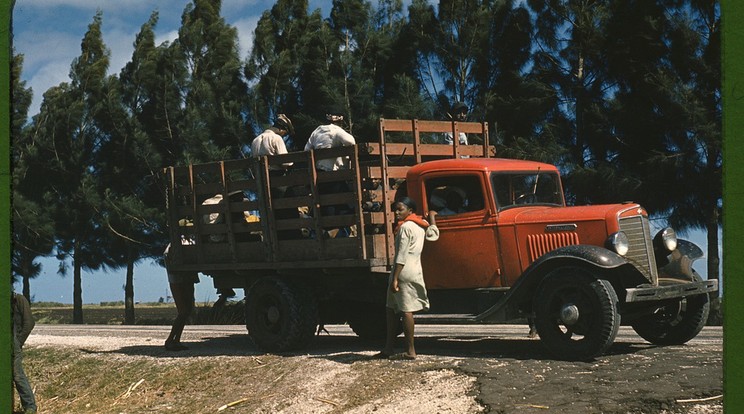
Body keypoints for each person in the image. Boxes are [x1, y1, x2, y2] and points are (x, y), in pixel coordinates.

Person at [376, 197, 439, 360]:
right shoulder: (420, 226)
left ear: (410, 211)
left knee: (405, 310)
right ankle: (388, 348)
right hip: (414, 269)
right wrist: (432, 218)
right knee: (391, 308)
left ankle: (410, 351)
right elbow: (433, 234)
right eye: (395, 210)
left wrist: (395, 278)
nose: (396, 213)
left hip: (402, 271)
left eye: (400, 209)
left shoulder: (405, 228)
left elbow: (401, 255)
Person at [305, 107, 357, 236]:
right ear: (340, 119)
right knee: (347, 206)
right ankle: (336, 234)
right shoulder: (337, 131)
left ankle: (323, 234)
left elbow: (307, 149)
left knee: (325, 207)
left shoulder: (317, 131)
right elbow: (351, 142)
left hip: (319, 175)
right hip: (335, 177)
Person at [163, 243, 199, 351]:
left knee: (186, 311)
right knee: (183, 311)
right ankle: (170, 340)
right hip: (177, 281)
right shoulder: (171, 248)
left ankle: (176, 340)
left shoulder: (173, 247)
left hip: (182, 280)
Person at [12, 292, 37, 414]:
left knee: (18, 375)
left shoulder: (19, 299)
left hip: (13, 344)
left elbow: (29, 323)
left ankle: (30, 407)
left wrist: (18, 342)